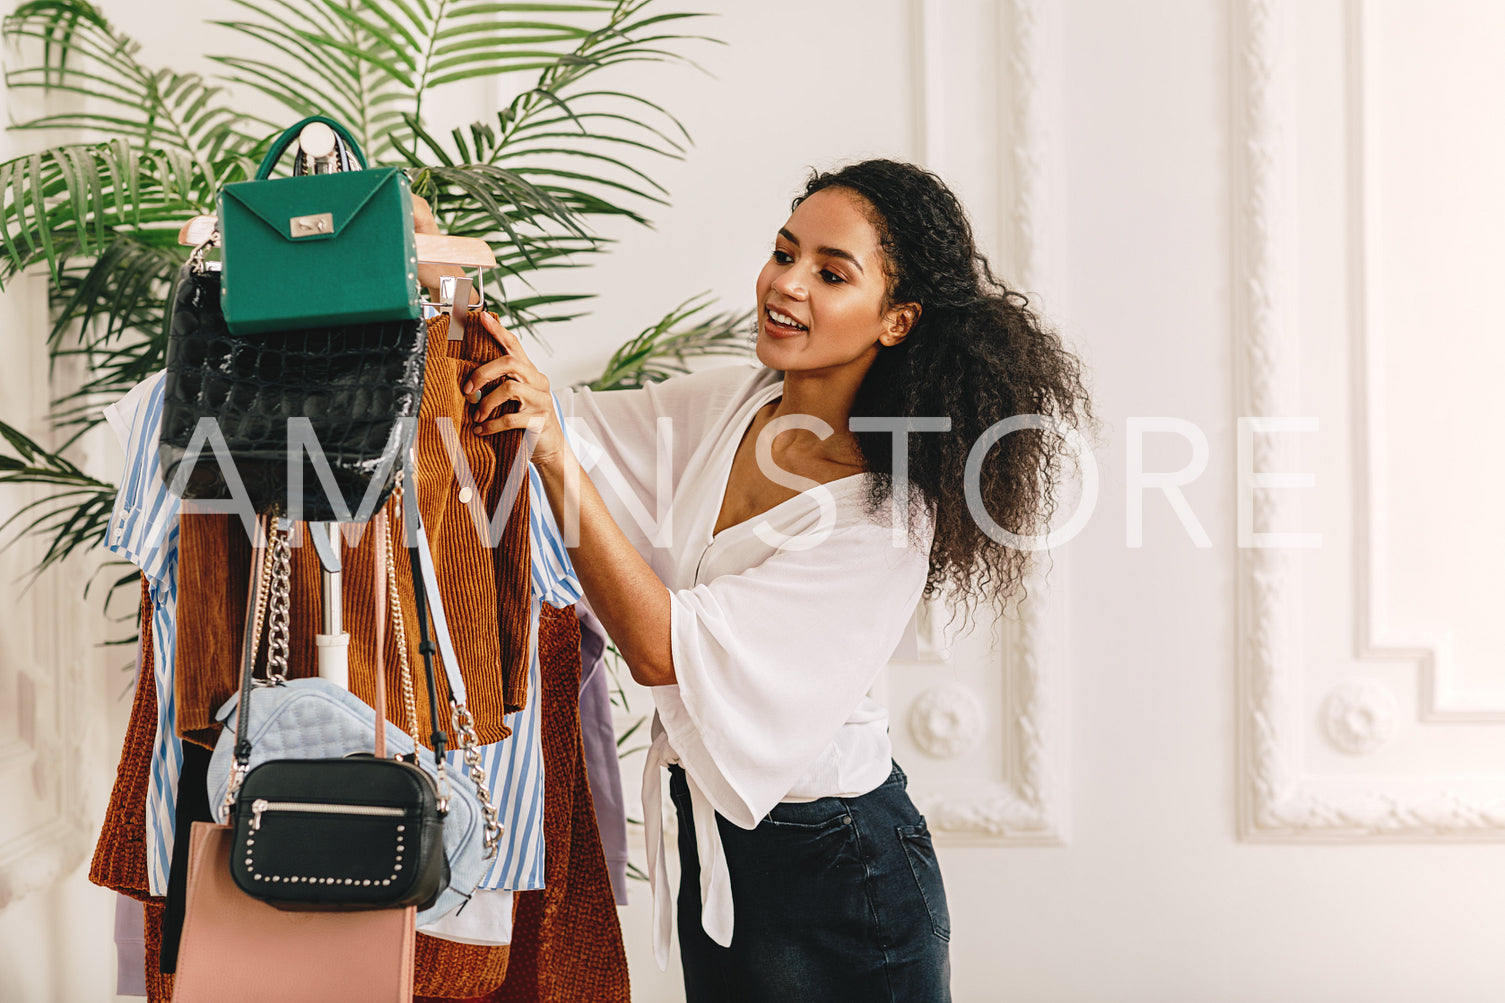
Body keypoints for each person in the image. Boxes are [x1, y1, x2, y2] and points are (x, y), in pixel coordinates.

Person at [461, 160, 1096, 1002]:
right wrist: (452, 294)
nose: (785, 284)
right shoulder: (738, 405)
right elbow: (562, 423)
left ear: (897, 319)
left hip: (836, 870)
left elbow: (659, 649)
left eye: (830, 273)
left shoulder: (882, 516)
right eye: (783, 252)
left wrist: (548, 447)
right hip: (714, 846)